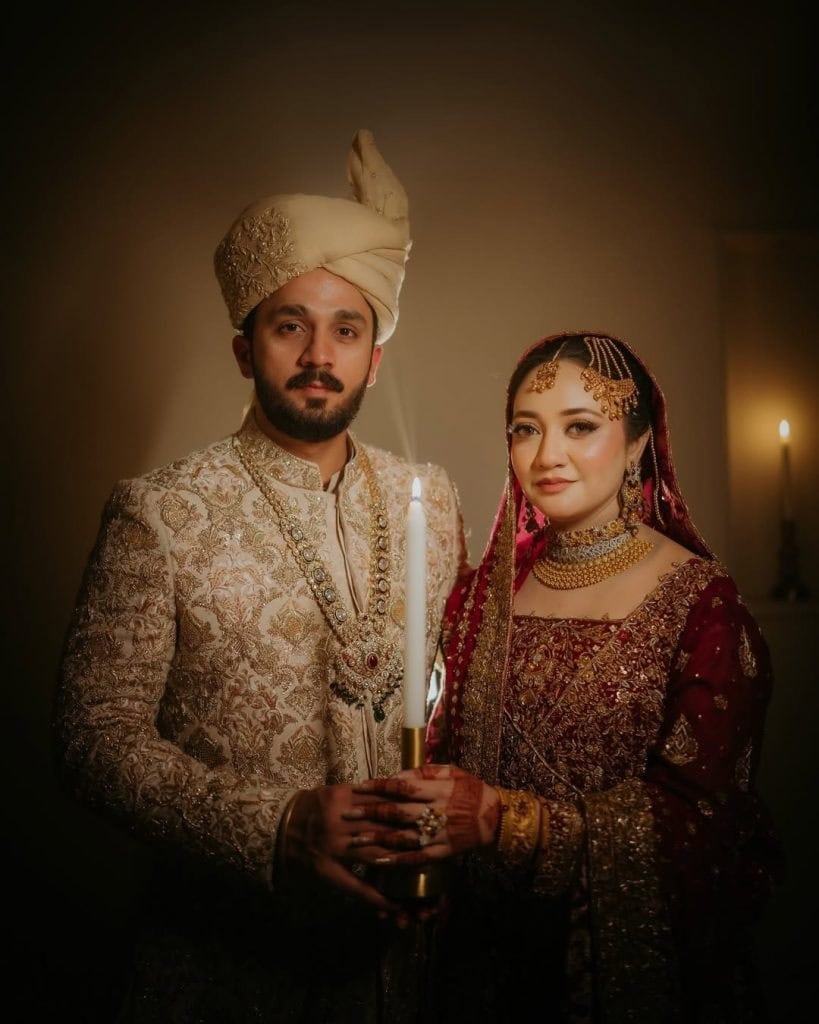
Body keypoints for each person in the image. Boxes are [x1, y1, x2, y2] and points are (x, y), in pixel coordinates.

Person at [54, 129, 466, 1023]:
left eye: (346, 330)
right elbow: (93, 738)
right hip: (224, 966)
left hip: (410, 963)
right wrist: (272, 824)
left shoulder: (426, 499)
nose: (319, 354)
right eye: (290, 326)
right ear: (245, 349)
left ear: (373, 356)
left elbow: (454, 697)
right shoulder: (160, 511)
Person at [350, 332, 782, 1022]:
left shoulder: (702, 608)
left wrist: (506, 822)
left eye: (579, 426)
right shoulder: (479, 597)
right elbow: (440, 757)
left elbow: (705, 829)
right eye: (526, 430)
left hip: (604, 979)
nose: (545, 456)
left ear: (639, 442)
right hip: (476, 970)